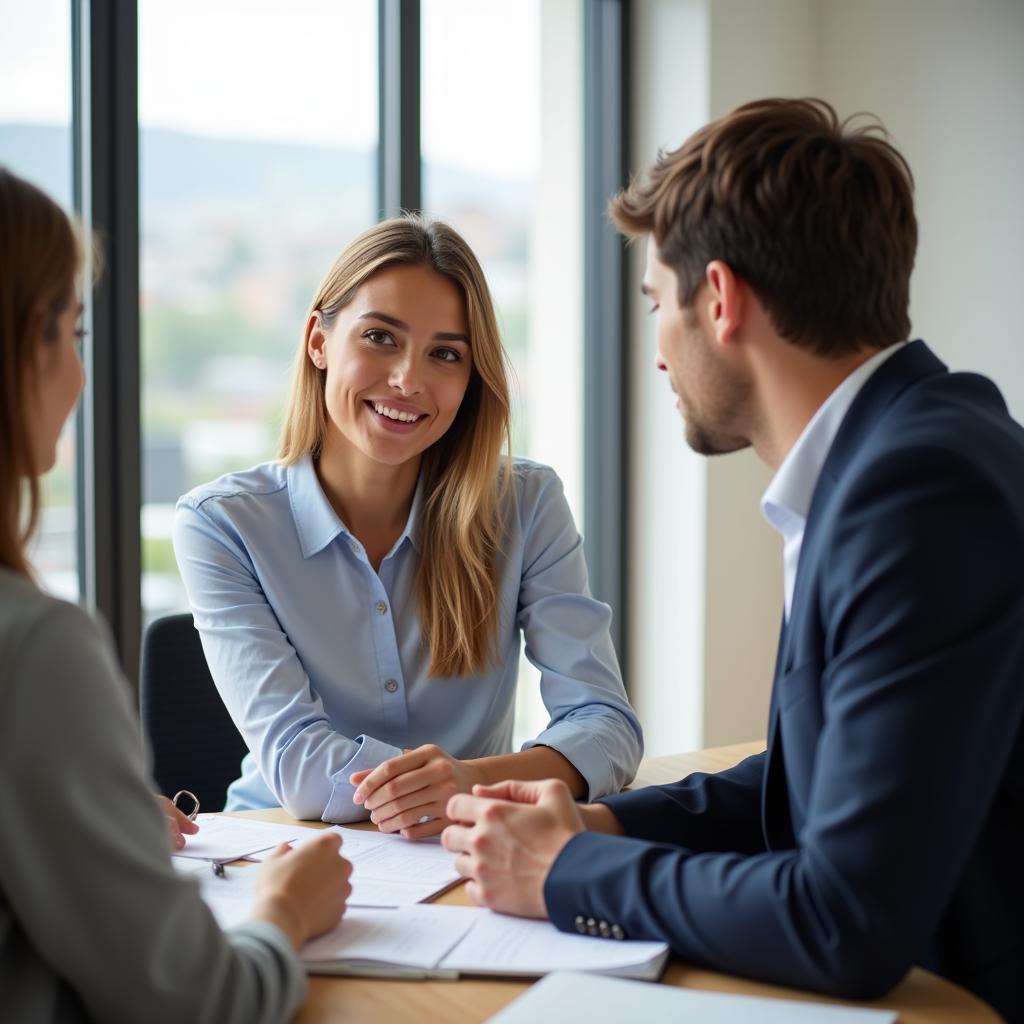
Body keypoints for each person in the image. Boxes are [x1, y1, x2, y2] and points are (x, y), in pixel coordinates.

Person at [440, 98, 1024, 1022]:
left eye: (655, 305)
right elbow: (812, 784)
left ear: (719, 299)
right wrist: (601, 821)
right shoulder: (905, 449)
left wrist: (567, 870)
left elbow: (845, 919)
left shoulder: (916, 494)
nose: (660, 353)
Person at [0, 166, 353, 1024]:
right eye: (72, 333)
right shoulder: (35, 650)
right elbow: (199, 1003)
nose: (82, 381)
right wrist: (287, 909)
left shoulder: (524, 503)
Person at [172, 216, 642, 837]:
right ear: (319, 340)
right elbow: (303, 769)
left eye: (445, 353)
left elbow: (605, 724)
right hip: (283, 850)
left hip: (465, 855)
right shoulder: (222, 525)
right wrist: (474, 781)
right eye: (380, 338)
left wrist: (467, 782)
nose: (408, 381)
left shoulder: (527, 505)